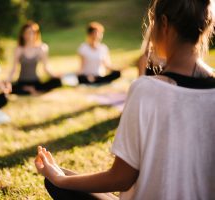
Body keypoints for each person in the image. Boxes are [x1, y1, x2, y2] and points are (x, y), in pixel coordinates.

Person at [35, 0, 215, 199]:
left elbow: (121, 178)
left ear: (163, 23)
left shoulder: (146, 89)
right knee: (64, 175)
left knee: (59, 180)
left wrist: (60, 180)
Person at [7, 21, 61, 95]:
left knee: (57, 82)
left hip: (36, 82)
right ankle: (28, 90)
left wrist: (55, 76)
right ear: (23, 34)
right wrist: (7, 81)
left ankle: (31, 90)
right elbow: (14, 69)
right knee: (8, 87)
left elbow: (46, 67)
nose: (30, 35)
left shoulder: (41, 48)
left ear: (36, 34)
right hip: (22, 82)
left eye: (32, 32)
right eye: (27, 32)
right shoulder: (19, 49)